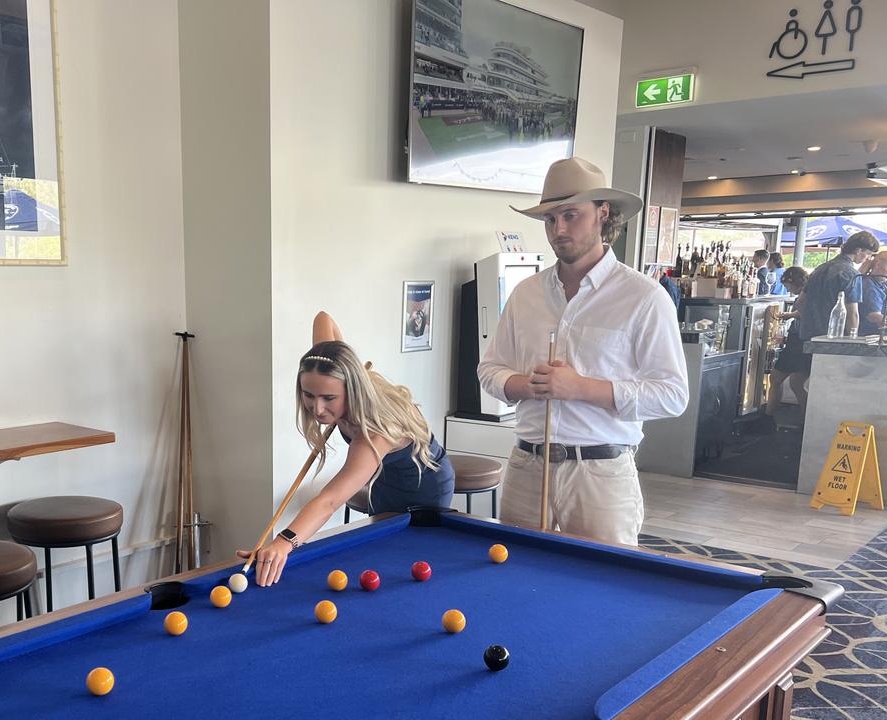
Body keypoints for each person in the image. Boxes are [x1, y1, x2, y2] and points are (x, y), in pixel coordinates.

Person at [477, 158, 688, 546]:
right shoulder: (526, 293)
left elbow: (672, 395)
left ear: (602, 214)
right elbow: (489, 369)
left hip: (600, 473)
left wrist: (579, 387)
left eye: (570, 215)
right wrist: (528, 385)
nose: (558, 229)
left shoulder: (644, 297)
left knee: (603, 592)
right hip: (526, 466)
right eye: (549, 220)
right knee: (515, 583)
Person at [238, 313, 455, 586]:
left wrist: (284, 543)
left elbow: (330, 500)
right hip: (386, 479)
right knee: (381, 553)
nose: (317, 409)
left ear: (352, 390)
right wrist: (345, 360)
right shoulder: (327, 365)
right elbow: (322, 318)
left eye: (329, 398)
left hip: (425, 486)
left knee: (410, 568)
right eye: (309, 394)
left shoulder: (374, 433)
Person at [797, 231, 878, 369]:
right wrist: (852, 342)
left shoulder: (820, 268)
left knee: (804, 378)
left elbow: (800, 302)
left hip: (808, 335)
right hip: (833, 339)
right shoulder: (851, 274)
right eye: (868, 253)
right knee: (831, 383)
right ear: (859, 250)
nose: (868, 258)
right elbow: (852, 313)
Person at [766, 266, 810, 418]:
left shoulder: (806, 294)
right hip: (804, 340)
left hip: (797, 341)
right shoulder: (813, 292)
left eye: (788, 286)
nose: (788, 290)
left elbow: (803, 310)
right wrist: (791, 315)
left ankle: (769, 416)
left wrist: (792, 315)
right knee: (797, 383)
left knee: (776, 378)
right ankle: (805, 421)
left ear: (795, 282)